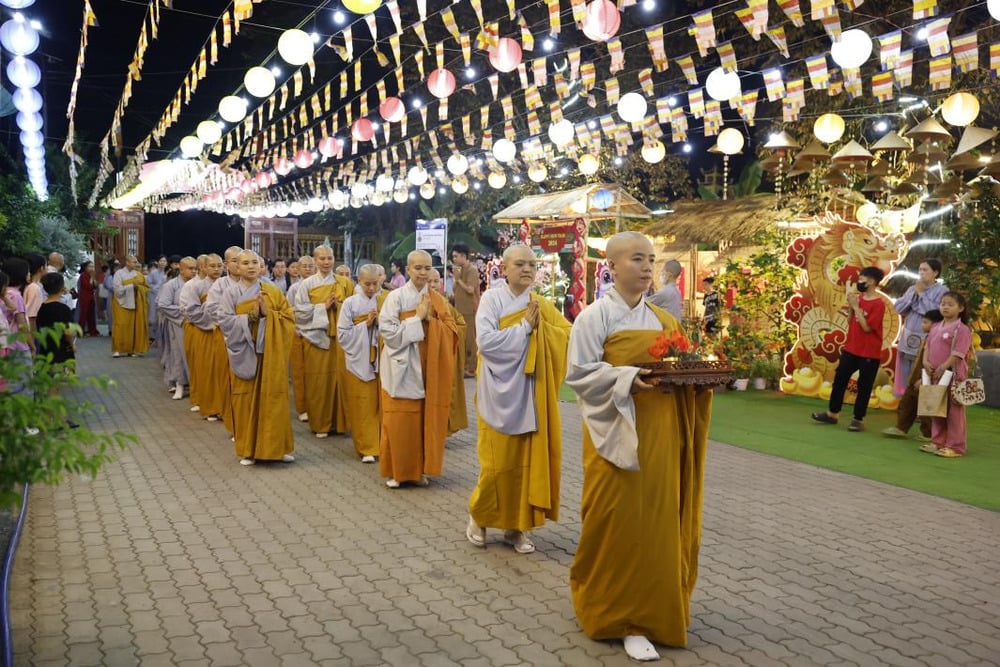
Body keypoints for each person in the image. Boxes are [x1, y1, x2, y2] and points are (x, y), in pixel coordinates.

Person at [565, 232, 713, 661]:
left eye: (651, 259)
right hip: (615, 434)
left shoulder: (665, 322)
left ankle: (651, 612)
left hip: (662, 433)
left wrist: (700, 381)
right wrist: (628, 377)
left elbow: (681, 368)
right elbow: (580, 375)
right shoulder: (593, 318)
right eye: (637, 259)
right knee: (615, 519)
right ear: (611, 265)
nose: (648, 267)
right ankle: (615, 613)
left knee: (656, 520)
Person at [466, 245, 570, 555]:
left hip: (529, 390)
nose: (527, 269)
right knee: (496, 465)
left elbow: (565, 334)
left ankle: (516, 527)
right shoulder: (492, 299)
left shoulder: (539, 303)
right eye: (520, 264)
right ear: (505, 268)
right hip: (497, 389)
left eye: (532, 264)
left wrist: (543, 332)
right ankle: (479, 519)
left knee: (524, 463)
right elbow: (485, 342)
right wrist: (525, 328)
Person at [378, 250, 459, 488]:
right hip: (402, 363)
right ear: (408, 269)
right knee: (399, 420)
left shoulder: (437, 299)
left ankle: (419, 471)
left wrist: (431, 321)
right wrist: (417, 319)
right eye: (418, 268)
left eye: (427, 268)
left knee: (424, 420)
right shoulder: (395, 297)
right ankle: (397, 472)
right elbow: (389, 333)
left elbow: (452, 330)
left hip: (428, 366)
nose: (423, 273)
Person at [216, 251, 296, 466]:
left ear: (261, 266)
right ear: (236, 268)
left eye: (255, 262)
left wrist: (269, 315)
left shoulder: (273, 291)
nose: (250, 266)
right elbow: (224, 321)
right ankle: (248, 450)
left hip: (270, 352)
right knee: (245, 401)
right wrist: (251, 316)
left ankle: (277, 449)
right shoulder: (230, 293)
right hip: (245, 351)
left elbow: (288, 317)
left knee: (274, 399)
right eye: (245, 263)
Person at [811, 266, 887, 432]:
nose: (859, 282)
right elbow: (851, 321)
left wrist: (857, 307)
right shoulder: (857, 299)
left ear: (872, 281)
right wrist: (852, 307)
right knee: (839, 380)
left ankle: (858, 419)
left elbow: (867, 328)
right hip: (851, 348)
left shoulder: (879, 304)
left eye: (862, 280)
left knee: (864, 386)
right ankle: (832, 413)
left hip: (869, 352)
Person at [291, 245, 352, 437]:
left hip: (340, 341)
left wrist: (340, 305)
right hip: (317, 339)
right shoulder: (307, 284)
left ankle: (339, 423)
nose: (326, 262)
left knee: (340, 380)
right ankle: (320, 424)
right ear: (315, 261)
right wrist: (322, 307)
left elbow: (354, 307)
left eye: (330, 258)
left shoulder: (344, 283)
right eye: (322, 259)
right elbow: (299, 312)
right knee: (318, 382)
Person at [337, 264, 385, 463]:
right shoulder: (350, 303)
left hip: (380, 360)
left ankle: (380, 444)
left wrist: (379, 322)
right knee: (362, 403)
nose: (371, 288)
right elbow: (343, 334)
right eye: (367, 284)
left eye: (375, 284)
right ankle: (366, 447)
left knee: (378, 404)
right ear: (358, 281)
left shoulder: (385, 300)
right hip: (358, 357)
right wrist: (365, 324)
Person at [921, 291, 973, 459]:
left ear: (961, 308)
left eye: (950, 304)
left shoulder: (963, 329)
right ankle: (938, 441)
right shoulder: (936, 326)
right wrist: (925, 362)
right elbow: (927, 346)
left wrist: (943, 367)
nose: (945, 307)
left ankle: (955, 446)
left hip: (953, 374)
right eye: (943, 303)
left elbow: (959, 353)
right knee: (936, 406)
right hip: (934, 373)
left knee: (954, 411)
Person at [882, 309, 943, 441]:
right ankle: (901, 427)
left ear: (935, 324)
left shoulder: (937, 340)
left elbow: (933, 362)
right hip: (915, 377)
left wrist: (924, 378)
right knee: (907, 403)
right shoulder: (927, 337)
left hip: (926, 378)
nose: (922, 325)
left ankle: (928, 433)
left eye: (925, 322)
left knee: (926, 407)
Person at [892, 259, 947, 397]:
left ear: (935, 272)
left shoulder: (942, 291)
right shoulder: (912, 288)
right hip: (908, 334)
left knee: (922, 370)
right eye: (920, 269)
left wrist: (922, 294)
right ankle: (904, 401)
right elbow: (898, 308)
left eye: (925, 270)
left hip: (928, 337)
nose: (921, 273)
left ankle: (921, 405)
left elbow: (935, 313)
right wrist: (914, 296)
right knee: (904, 369)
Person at [428, 268, 468, 434]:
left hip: (445, 356)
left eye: (436, 281)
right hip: (428, 359)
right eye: (429, 281)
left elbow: (461, 325)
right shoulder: (417, 303)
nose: (433, 285)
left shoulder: (445, 304)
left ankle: (442, 430)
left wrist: (443, 332)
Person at [181, 254, 221, 414]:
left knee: (220, 370)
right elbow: (191, 311)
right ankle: (204, 401)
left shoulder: (227, 285)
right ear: (203, 268)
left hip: (224, 331)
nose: (216, 269)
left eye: (219, 266)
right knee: (204, 368)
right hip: (203, 330)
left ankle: (220, 403)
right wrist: (212, 323)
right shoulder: (193, 286)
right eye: (212, 266)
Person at [158, 257, 196, 400]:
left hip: (197, 324)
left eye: (195, 268)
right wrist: (185, 312)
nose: (193, 271)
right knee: (178, 354)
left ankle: (195, 385)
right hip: (178, 324)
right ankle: (179, 385)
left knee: (194, 355)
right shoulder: (171, 285)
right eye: (190, 268)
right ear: (180, 269)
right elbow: (163, 304)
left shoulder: (197, 284)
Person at [287, 255, 316, 422]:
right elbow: (289, 311)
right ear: (297, 268)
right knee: (299, 372)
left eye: (310, 265)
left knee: (316, 372)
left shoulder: (321, 285)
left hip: (317, 333)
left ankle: (316, 406)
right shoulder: (294, 288)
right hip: (298, 333)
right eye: (304, 266)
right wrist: (295, 328)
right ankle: (302, 407)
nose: (307, 269)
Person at [35, 272, 78, 372]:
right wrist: (72, 345)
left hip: (46, 348)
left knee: (50, 374)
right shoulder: (63, 309)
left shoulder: (42, 308)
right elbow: (68, 331)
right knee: (58, 376)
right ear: (62, 288)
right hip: (61, 349)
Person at [111, 255, 151, 357]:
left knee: (132, 327)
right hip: (121, 303)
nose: (136, 264)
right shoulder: (119, 274)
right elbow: (117, 290)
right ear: (127, 262)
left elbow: (146, 288)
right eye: (134, 262)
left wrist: (139, 288)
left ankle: (131, 350)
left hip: (134, 303)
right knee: (120, 326)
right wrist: (132, 285)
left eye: (137, 262)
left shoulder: (138, 275)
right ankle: (117, 350)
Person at [452, 243, 481, 378]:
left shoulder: (472, 270)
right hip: (459, 309)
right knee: (461, 340)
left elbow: (470, 289)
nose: (454, 259)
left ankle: (471, 368)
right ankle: (463, 366)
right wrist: (456, 280)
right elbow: (455, 289)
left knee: (470, 340)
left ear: (464, 256)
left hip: (470, 309)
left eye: (456, 256)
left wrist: (458, 280)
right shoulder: (460, 269)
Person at [147, 255, 168, 344]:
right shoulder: (153, 273)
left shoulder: (168, 272)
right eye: (161, 261)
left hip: (165, 297)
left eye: (164, 261)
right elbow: (148, 283)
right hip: (153, 296)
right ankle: (152, 337)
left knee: (163, 318)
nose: (162, 262)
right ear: (158, 262)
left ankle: (161, 338)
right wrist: (155, 288)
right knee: (153, 318)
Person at [23, 253, 46, 335]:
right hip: (32, 331)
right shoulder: (34, 288)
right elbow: (31, 316)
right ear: (41, 268)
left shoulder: (30, 285)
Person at [76, 261, 100, 337]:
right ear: (85, 268)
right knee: (83, 315)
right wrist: (92, 278)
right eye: (90, 266)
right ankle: (80, 332)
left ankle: (93, 331)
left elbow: (95, 286)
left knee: (91, 315)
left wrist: (93, 278)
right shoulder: (83, 275)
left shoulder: (91, 275)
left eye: (93, 266)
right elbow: (88, 286)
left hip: (91, 297)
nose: (92, 268)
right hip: (84, 297)